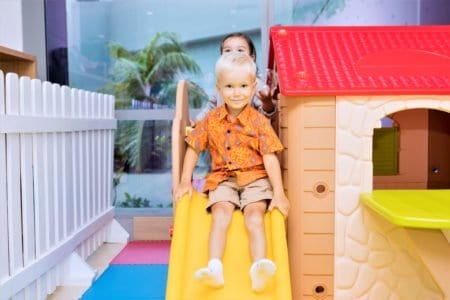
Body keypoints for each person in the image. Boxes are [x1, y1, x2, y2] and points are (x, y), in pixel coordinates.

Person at [174, 52, 289, 292]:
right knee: (220, 214)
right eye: (229, 86)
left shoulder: (259, 122)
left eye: (243, 86)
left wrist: (278, 193)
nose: (237, 92)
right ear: (218, 88)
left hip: (255, 178)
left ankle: (259, 267)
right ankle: (215, 267)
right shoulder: (211, 120)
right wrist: (185, 182)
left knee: (255, 215)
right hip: (223, 179)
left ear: (253, 87)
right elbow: (193, 148)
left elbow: (270, 158)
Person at [193, 32, 278, 124]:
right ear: (221, 58)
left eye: (240, 50)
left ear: (252, 58)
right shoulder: (221, 85)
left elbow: (269, 115)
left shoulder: (256, 85)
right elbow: (210, 108)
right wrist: (195, 122)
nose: (233, 54)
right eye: (228, 50)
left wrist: (267, 102)